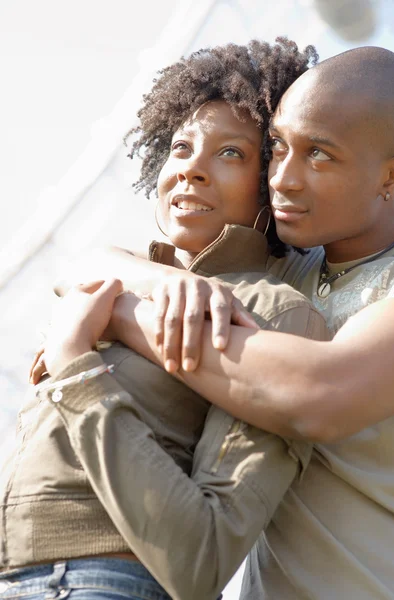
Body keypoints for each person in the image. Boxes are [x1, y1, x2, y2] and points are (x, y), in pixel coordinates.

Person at [0, 39, 327, 600]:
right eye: (181, 147)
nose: (192, 171)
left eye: (231, 153)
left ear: (272, 183)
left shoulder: (275, 314)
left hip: (97, 584)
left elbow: (203, 558)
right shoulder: (110, 282)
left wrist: (76, 370)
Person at [89, 45, 394, 599]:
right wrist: (172, 286)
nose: (282, 178)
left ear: (393, 174)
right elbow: (91, 264)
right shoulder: (286, 271)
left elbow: (316, 394)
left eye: (320, 155)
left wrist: (119, 312)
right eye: (278, 146)